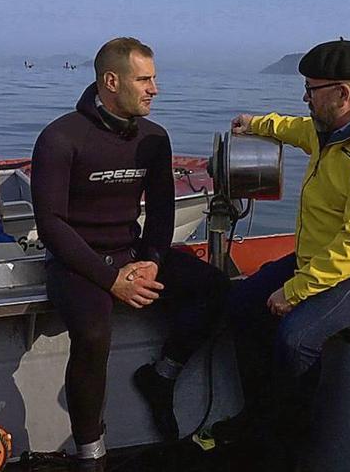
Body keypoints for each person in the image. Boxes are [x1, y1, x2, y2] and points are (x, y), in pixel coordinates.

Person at [211, 39, 350, 466]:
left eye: (311, 90)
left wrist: (294, 292)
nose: (305, 98)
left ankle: (288, 444)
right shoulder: (333, 126)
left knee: (296, 338)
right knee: (240, 304)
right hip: (323, 257)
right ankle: (257, 415)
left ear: (342, 93)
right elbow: (298, 130)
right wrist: (257, 123)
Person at [31, 37, 229, 470]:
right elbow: (52, 226)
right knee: (94, 335)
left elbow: (161, 212)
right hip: (77, 260)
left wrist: (152, 260)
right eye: (144, 79)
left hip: (132, 253)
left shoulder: (154, 139)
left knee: (217, 288)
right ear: (111, 81)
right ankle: (91, 453)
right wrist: (111, 279)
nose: (154, 88)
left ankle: (163, 374)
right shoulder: (61, 138)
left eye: (154, 78)